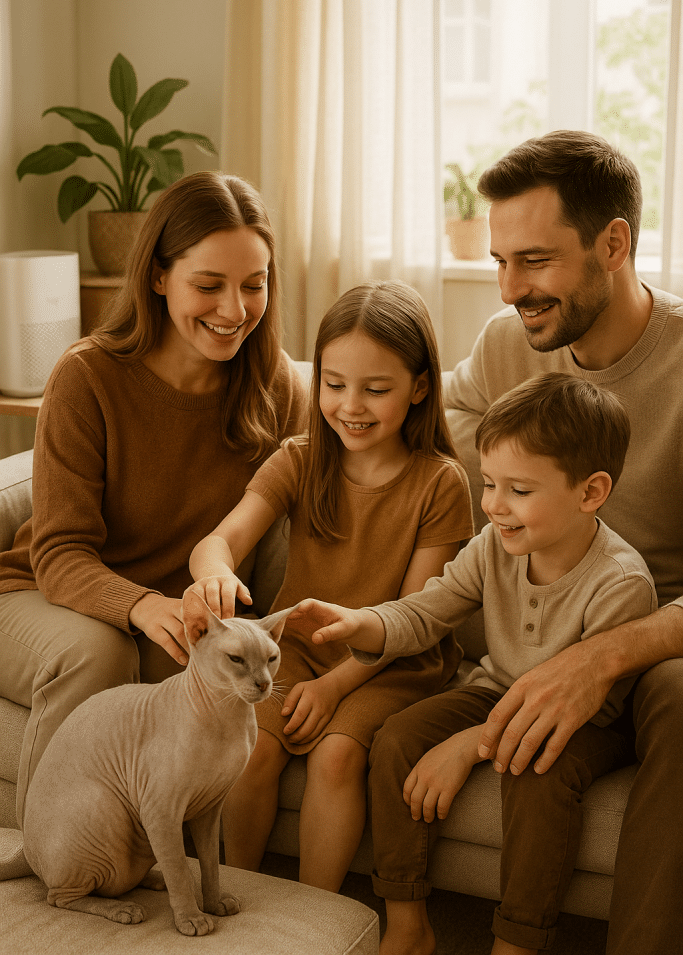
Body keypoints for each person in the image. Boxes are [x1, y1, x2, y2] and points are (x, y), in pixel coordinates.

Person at [292, 371, 657, 955]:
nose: (494, 506)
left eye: (519, 490)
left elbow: (597, 701)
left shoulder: (619, 582)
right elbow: (429, 610)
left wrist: (470, 746)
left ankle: (517, 942)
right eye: (488, 484)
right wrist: (364, 622)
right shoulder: (493, 544)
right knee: (393, 740)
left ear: (590, 493)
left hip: (587, 720)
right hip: (497, 689)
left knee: (536, 774)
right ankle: (408, 923)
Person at [0, 171, 307, 827]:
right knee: (101, 653)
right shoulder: (87, 378)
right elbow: (57, 553)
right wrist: (140, 605)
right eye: (208, 285)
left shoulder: (276, 386)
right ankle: (43, 863)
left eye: (254, 284)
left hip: (173, 616)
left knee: (191, 676)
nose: (234, 310)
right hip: (39, 594)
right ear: (159, 277)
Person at [441, 131, 683, 955]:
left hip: (658, 631)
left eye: (534, 261)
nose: (510, 289)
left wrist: (606, 654)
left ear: (612, 244)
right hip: (535, 607)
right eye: (501, 261)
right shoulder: (508, 348)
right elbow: (447, 424)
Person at [187, 280, 474, 893]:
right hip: (297, 650)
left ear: (420, 387)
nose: (351, 405)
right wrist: (214, 570)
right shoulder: (297, 458)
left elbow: (415, 615)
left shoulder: (441, 483)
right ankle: (235, 892)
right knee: (254, 747)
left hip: (393, 659)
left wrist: (334, 685)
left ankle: (314, 917)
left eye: (376, 389)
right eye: (334, 384)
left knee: (337, 754)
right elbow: (220, 541)